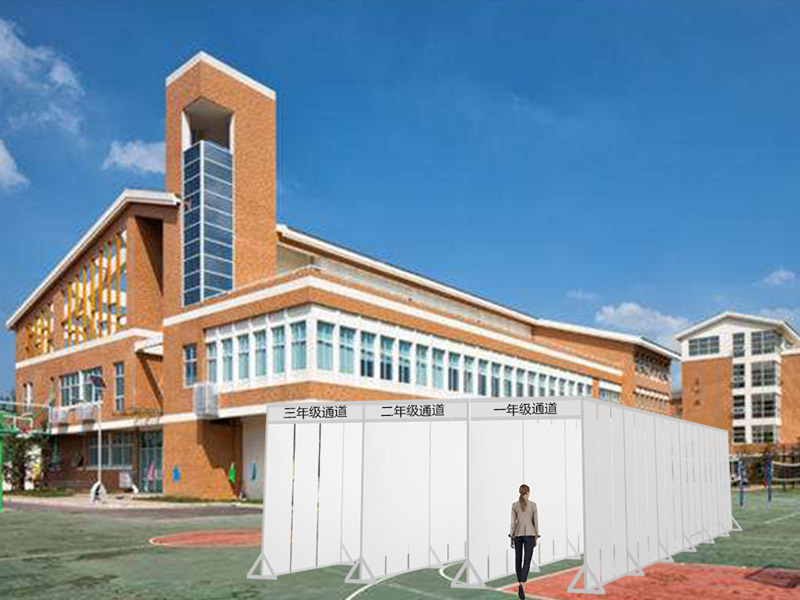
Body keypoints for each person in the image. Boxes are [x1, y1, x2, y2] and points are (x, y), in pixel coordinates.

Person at [509, 484, 539, 600]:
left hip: (518, 534)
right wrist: (536, 536)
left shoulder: (514, 505)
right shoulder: (533, 505)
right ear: (528, 493)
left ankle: (519, 582)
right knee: (527, 560)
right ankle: (522, 584)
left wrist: (511, 536)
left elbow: (512, 523)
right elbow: (535, 522)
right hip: (530, 534)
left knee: (518, 559)